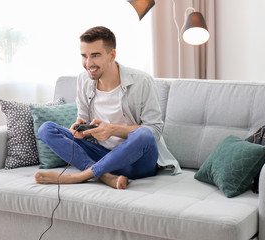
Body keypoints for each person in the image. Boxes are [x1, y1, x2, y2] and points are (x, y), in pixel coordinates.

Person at [34, 26, 179, 189]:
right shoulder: (83, 80)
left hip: (137, 162)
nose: (88, 63)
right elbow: (85, 122)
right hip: (102, 156)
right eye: (84, 56)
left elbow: (155, 130)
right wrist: (80, 130)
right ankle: (106, 177)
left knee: (144, 134)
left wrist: (112, 130)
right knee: (46, 129)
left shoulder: (142, 81)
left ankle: (81, 176)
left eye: (95, 55)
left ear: (112, 55)